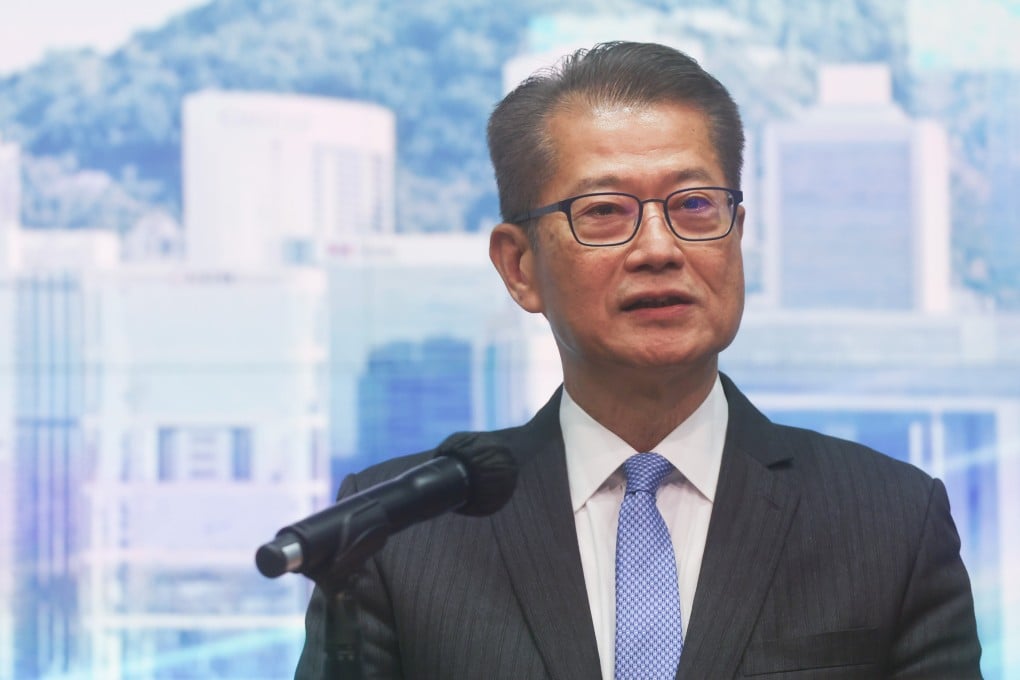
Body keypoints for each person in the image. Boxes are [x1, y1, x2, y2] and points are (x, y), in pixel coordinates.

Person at [296, 41, 982, 679]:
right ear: (519, 266)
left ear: (737, 235)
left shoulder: (890, 519)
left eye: (695, 205)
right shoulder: (401, 533)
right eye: (604, 211)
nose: (659, 248)